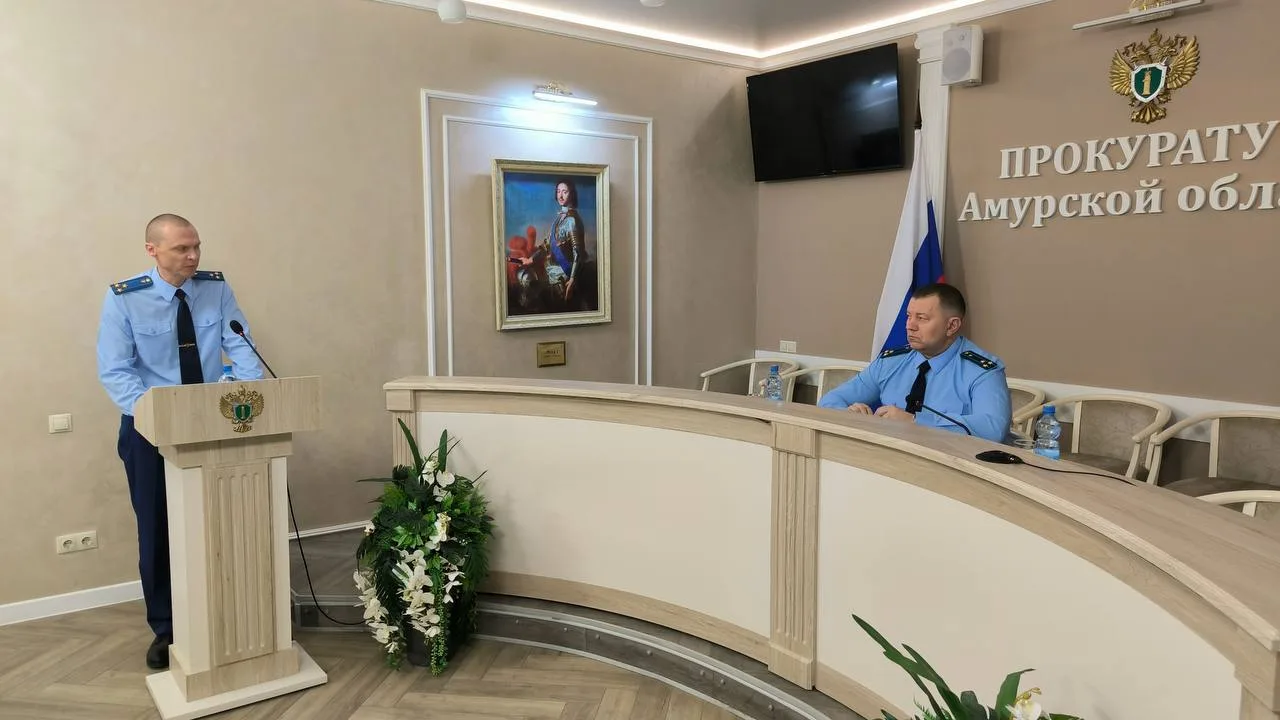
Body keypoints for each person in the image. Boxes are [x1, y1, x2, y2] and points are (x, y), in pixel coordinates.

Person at [96, 214, 263, 669]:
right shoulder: (124, 298)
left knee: (222, 522)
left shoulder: (215, 289)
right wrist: (158, 418)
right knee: (157, 529)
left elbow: (241, 346)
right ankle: (167, 628)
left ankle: (229, 613)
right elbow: (116, 370)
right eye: (181, 249)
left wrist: (248, 398)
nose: (192, 257)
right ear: (152, 250)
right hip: (149, 430)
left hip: (213, 423)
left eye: (196, 247)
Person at [818, 283, 1012, 444]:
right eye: (909, 316)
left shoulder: (981, 371)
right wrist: (849, 414)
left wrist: (915, 421)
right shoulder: (891, 362)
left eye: (921, 318)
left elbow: (993, 429)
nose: (910, 326)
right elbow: (829, 401)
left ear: (952, 325)